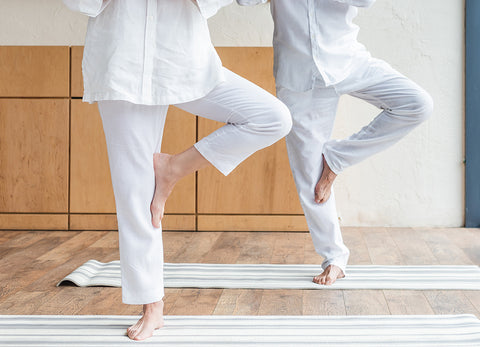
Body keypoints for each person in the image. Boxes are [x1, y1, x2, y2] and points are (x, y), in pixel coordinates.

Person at [63, 0, 292, 341]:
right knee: (136, 194)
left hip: (184, 60)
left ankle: (173, 168)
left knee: (273, 117)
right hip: (123, 62)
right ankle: (152, 306)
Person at [238, 0, 433, 285]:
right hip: (298, 75)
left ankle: (337, 157)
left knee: (417, 104)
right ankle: (334, 258)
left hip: (348, 62)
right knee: (310, 177)